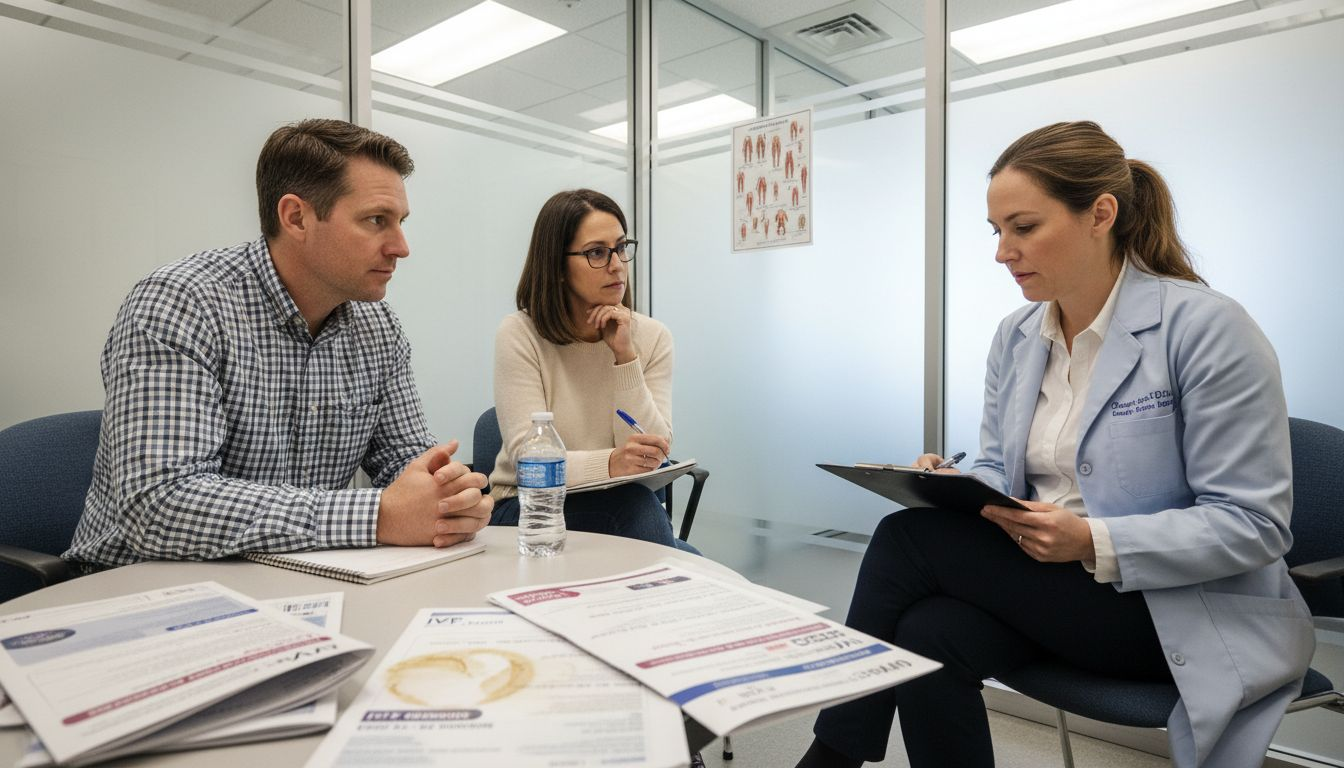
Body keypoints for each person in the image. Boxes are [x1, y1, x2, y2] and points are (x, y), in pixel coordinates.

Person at [795, 121, 1313, 768]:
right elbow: (1000, 467)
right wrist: (954, 488)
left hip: (1177, 610)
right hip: (1058, 593)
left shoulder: (1208, 328)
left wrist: (1093, 541)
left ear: (1101, 214)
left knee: (907, 540)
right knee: (929, 632)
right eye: (996, 231)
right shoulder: (1016, 337)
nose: (1003, 252)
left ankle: (831, 759)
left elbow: (1254, 525)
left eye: (1024, 227)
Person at [65, 119, 492, 570]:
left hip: (293, 579)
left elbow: (407, 462)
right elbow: (161, 505)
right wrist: (378, 515)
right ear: (296, 217)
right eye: (375, 221)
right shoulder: (182, 304)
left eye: (400, 222)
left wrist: (448, 498)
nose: (401, 247)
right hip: (142, 584)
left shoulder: (377, 328)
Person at [489, 189, 696, 553]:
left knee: (657, 526)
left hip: (625, 503)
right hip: (527, 509)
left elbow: (652, 450)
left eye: (621, 248)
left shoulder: (652, 337)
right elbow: (529, 461)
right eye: (597, 253)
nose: (617, 265)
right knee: (641, 517)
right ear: (557, 267)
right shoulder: (520, 334)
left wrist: (625, 358)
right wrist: (612, 463)